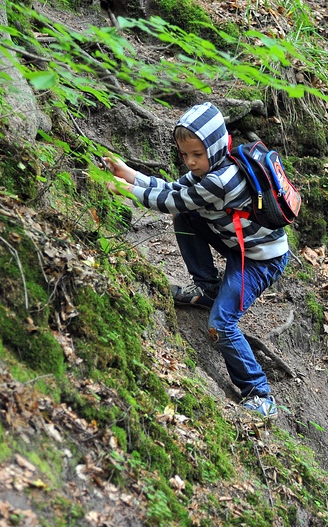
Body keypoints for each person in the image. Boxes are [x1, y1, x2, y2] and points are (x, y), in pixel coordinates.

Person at [104, 102, 288, 418]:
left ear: (214, 147)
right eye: (185, 155)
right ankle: (207, 289)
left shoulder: (221, 180)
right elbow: (175, 190)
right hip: (237, 244)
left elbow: (170, 200)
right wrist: (129, 173)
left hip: (260, 260)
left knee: (222, 323)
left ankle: (259, 393)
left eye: (197, 155)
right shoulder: (213, 167)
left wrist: (124, 189)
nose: (190, 162)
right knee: (185, 217)